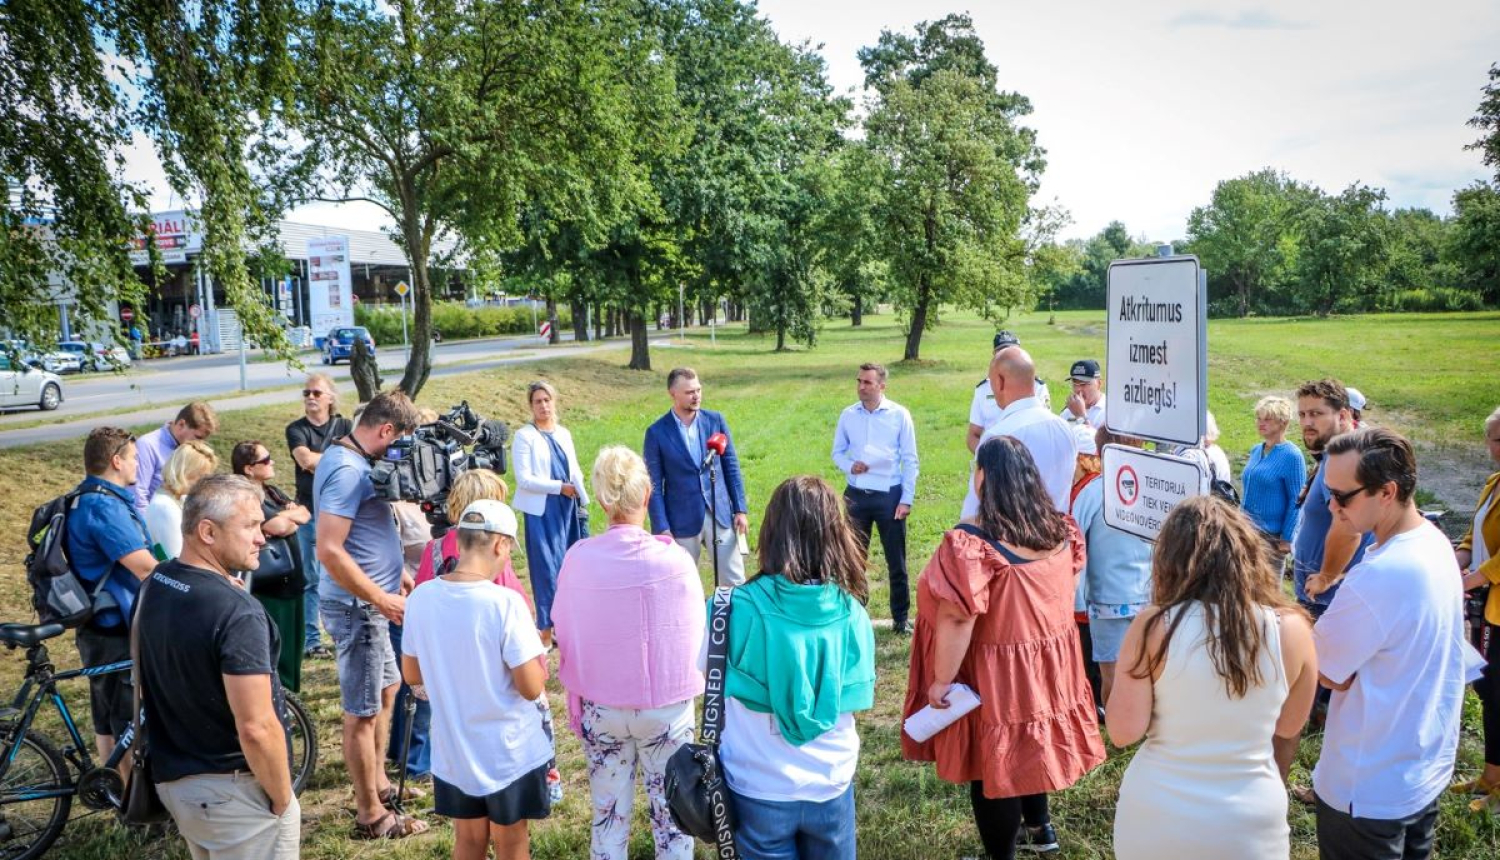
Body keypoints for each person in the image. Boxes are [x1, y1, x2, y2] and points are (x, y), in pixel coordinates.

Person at [904, 437, 1104, 860]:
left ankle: (1001, 856)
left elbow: (958, 617)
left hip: (997, 674)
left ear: (983, 479)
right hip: (1047, 669)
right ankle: (1040, 828)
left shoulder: (975, 544)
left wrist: (940, 682)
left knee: (993, 769)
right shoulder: (1057, 530)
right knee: (1028, 746)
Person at [1108, 496, 1318, 860]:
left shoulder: (1154, 626)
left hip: (1159, 815)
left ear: (1168, 560)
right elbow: (1290, 725)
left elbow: (1123, 731)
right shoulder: (1293, 630)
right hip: (1250, 819)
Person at [1311, 428, 1484, 860]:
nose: (1331, 507)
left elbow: (1326, 670)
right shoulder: (1433, 541)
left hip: (1365, 789)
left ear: (1386, 492)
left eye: (1341, 496)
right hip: (1420, 771)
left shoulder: (1379, 576)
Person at [552, 446, 705, 860]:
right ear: (648, 493)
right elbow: (698, 632)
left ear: (601, 499)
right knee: (674, 820)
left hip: (602, 705)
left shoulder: (578, 558)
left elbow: (562, 629)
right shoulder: (676, 559)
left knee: (607, 818)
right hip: (666, 707)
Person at [138, 475, 299, 860]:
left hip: (178, 781)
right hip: (233, 791)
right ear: (207, 531)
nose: (262, 537)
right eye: (249, 526)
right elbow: (256, 727)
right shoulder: (235, 611)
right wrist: (282, 799)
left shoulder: (157, 581)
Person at [718, 475, 874, 860]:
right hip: (829, 782)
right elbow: (856, 696)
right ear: (836, 535)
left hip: (756, 783)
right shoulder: (852, 613)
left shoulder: (727, 609)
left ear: (770, 532)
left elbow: (702, 673)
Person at [402, 500, 552, 860]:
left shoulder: (421, 597)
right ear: (500, 544)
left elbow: (412, 674)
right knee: (511, 841)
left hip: (454, 748)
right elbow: (531, 686)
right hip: (507, 752)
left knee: (467, 840)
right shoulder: (505, 603)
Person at [314, 388, 427, 839]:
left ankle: (379, 782)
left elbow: (368, 530)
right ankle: (370, 816)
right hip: (357, 608)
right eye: (398, 440)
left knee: (387, 689)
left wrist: (396, 570)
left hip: (374, 600)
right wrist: (379, 598)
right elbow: (329, 549)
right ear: (385, 430)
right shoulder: (345, 470)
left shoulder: (356, 459)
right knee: (361, 711)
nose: (400, 450)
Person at [395, 468, 532, 783]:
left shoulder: (437, 546)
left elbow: (423, 587)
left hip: (443, 646)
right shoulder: (489, 551)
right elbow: (511, 594)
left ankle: (420, 764)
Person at [67, 427, 157, 765]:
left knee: (105, 715)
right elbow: (144, 566)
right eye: (133, 458)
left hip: (95, 623)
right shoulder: (104, 507)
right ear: (116, 461)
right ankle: (135, 810)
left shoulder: (81, 497)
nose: (137, 464)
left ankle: (112, 792)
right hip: (115, 624)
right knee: (127, 721)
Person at [832, 363, 920, 634]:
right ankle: (856, 615)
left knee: (897, 560)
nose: (861, 386)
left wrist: (906, 499)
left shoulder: (899, 415)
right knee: (854, 558)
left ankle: (900, 618)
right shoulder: (848, 415)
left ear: (882, 386)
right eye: (859, 381)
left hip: (889, 496)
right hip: (857, 495)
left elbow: (910, 460)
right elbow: (837, 452)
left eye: (868, 382)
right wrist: (850, 466)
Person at [643, 367, 750, 586]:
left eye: (698, 390)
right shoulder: (656, 433)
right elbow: (652, 484)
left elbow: (731, 466)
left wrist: (740, 509)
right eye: (689, 392)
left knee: (734, 580)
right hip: (680, 520)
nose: (696, 396)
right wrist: (662, 527)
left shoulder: (715, 421)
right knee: (680, 584)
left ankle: (734, 619)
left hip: (719, 512)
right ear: (673, 393)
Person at [1072, 428, 1154, 703]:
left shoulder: (1094, 491)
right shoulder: (1150, 487)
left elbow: (1073, 547)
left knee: (1115, 675)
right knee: (1132, 672)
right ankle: (1127, 734)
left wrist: (1076, 602)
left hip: (1115, 599)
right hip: (1135, 596)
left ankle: (1123, 732)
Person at [511, 380, 589, 645]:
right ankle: (545, 630)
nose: (543, 406)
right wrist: (560, 488)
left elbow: (574, 468)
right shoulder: (525, 436)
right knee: (546, 568)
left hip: (568, 506)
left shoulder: (563, 433)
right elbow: (525, 480)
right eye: (538, 401)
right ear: (531, 406)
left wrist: (581, 495)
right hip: (542, 510)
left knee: (571, 565)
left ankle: (569, 624)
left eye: (547, 400)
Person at [960, 347, 1075, 520]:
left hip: (1013, 541)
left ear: (999, 382)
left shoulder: (998, 436)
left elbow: (974, 508)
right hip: (1058, 538)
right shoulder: (1065, 428)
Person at [232, 440, 311, 693]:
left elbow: (304, 514)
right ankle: (281, 700)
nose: (272, 462)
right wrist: (284, 519)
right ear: (248, 469)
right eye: (265, 460)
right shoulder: (245, 497)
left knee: (294, 649)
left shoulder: (272, 492)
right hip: (271, 586)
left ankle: (291, 701)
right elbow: (276, 527)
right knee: (279, 652)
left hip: (293, 582)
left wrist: (284, 518)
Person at [1294, 379, 1374, 617]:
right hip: (1328, 596)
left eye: (1316, 414)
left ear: (1343, 415)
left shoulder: (1344, 457)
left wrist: (1326, 578)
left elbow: (1349, 528)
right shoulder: (1340, 450)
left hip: (1327, 601)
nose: (1307, 422)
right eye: (1302, 414)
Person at [285, 374, 351, 660]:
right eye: (306, 392)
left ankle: (343, 632)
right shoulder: (296, 429)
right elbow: (304, 460)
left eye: (316, 392)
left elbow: (358, 456)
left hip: (341, 510)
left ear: (330, 398)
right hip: (309, 512)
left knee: (343, 572)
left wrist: (320, 459)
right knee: (311, 578)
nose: (310, 397)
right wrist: (338, 456)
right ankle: (311, 640)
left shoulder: (345, 425)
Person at [1454, 405, 1500, 813]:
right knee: (1488, 689)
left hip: (1492, 598)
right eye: (1497, 438)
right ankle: (1490, 775)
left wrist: (1476, 576)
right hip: (1487, 607)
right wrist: (1460, 556)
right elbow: (1475, 530)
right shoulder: (1493, 482)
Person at [1240, 395, 1306, 570]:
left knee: (1268, 589)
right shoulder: (1256, 450)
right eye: (1259, 418)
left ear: (1282, 423)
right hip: (1246, 530)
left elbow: (1296, 499)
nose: (1261, 423)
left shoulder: (1292, 455)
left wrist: (1287, 537)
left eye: (1268, 419)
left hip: (1271, 536)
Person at [966, 331, 1052, 453]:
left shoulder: (1037, 386)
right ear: (994, 355)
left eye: (1011, 350)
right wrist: (988, 457)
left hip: (1028, 458)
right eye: (1001, 352)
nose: (1006, 356)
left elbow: (1045, 429)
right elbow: (973, 435)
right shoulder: (983, 389)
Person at [1068, 423, 1104, 710]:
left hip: (1088, 584)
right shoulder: (1085, 487)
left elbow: (1075, 538)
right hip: (1091, 582)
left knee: (1089, 646)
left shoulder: (1089, 491)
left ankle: (1093, 701)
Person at [133, 401, 219, 511]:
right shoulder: (147, 445)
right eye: (197, 437)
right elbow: (138, 495)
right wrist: (148, 525)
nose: (200, 444)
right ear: (181, 425)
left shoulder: (189, 448)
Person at [144, 440, 219, 560]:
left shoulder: (178, 499)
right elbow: (176, 558)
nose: (205, 483)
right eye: (202, 476)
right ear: (184, 472)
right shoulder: (164, 507)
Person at [1060, 359, 1106, 427]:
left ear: (1099, 384)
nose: (1078, 389)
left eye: (1084, 384)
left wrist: (1081, 417)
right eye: (1075, 383)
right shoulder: (1068, 411)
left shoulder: (1108, 412)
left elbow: (1092, 438)